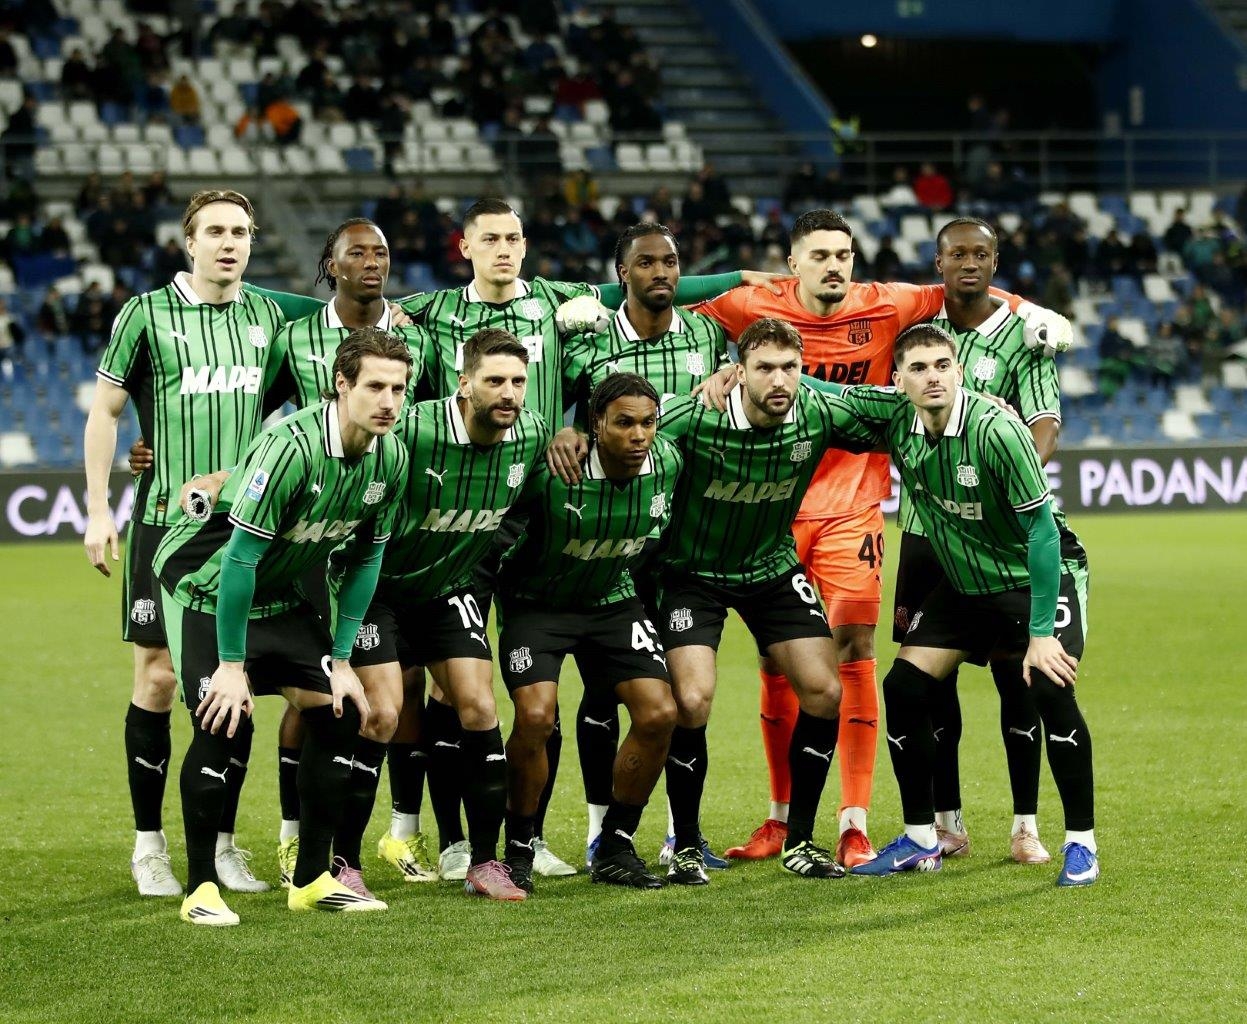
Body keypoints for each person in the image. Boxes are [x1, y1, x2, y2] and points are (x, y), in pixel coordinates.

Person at [398, 198, 779, 879]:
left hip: (601, 569)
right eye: (491, 238)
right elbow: (367, 303)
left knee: (649, 707)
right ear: (465, 246)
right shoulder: (432, 312)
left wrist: (740, 296)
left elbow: (646, 280)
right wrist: (387, 311)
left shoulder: (559, 304)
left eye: (514, 237)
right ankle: (465, 839)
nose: (504, 248)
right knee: (469, 698)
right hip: (506, 535)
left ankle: (606, 839)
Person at [693, 210, 1068, 868]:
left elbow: (968, 283)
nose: (834, 266)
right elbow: (668, 298)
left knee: (857, 648)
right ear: (793, 263)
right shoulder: (751, 303)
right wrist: (722, 365)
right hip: (775, 505)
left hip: (853, 509)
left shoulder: (888, 303)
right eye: (820, 255)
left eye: (843, 254)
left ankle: (855, 821)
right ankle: (780, 817)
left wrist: (1035, 311)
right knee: (776, 661)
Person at [807, 324, 1098, 887]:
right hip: (967, 584)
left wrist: (1041, 634)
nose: (932, 377)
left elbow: (1041, 531)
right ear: (899, 381)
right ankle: (921, 839)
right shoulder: (897, 418)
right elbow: (827, 390)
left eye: (942, 365)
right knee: (904, 687)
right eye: (918, 368)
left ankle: (1081, 844)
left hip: (1038, 576)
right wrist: (750, 374)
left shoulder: (997, 430)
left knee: (1048, 685)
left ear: (959, 370)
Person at [153, 328, 413, 924]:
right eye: (374, 387)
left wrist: (341, 660)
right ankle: (200, 890)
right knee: (221, 718)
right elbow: (239, 560)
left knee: (341, 712)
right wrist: (230, 666)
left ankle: (313, 879)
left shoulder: (391, 457)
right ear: (341, 385)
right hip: (205, 584)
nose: (388, 402)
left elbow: (366, 559)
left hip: (278, 593)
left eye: (398, 389)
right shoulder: (289, 448)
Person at [83, 189, 285, 898]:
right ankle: (149, 846)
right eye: (216, 232)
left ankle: (223, 845)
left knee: (234, 682)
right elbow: (105, 411)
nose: (230, 243)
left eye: (241, 232)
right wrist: (98, 508)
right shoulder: (145, 314)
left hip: (244, 525)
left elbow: (338, 330)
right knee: (159, 678)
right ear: (189, 242)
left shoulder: (269, 315)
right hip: (165, 524)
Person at [655, 318, 886, 884]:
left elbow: (894, 413)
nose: (779, 380)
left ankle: (800, 841)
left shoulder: (816, 411)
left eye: (790, 367)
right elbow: (625, 434)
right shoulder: (694, 417)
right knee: (692, 699)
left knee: (825, 691)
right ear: (738, 371)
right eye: (764, 368)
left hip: (770, 569)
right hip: (691, 575)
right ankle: (685, 844)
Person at [331, 328, 549, 901]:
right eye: (494, 380)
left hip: (447, 589)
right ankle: (344, 862)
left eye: (518, 381)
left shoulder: (531, 435)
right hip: (378, 591)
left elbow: (535, 499)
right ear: (464, 383)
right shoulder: (413, 427)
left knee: (479, 706)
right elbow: (337, 440)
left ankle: (485, 862)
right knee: (383, 713)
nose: (508, 393)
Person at [894, 217, 1076, 864]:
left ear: (995, 263)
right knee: (926, 684)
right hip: (924, 536)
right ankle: (946, 821)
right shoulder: (917, 331)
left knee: (1015, 680)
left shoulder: (1024, 336)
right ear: (938, 262)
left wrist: (1012, 483)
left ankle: (1025, 825)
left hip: (995, 540)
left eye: (980, 254)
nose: (968, 263)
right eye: (956, 254)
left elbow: (1045, 422)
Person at [555, 222, 731, 869]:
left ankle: (684, 835)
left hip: (686, 541)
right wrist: (565, 431)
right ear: (622, 272)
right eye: (647, 262)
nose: (662, 272)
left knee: (686, 698)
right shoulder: (590, 340)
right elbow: (563, 413)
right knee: (605, 691)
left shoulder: (706, 336)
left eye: (671, 262)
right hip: (614, 539)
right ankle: (601, 830)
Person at [499, 373, 681, 892]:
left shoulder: (668, 462)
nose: (639, 435)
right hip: (539, 607)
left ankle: (616, 845)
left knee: (660, 713)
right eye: (624, 423)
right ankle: (518, 847)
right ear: (596, 424)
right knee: (536, 717)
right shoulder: (555, 472)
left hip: (612, 601)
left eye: (648, 423)